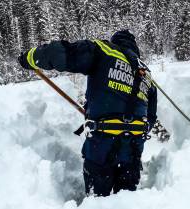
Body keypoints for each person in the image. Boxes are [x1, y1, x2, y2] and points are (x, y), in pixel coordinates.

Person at [18, 30, 157, 196]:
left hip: (103, 141)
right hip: (134, 146)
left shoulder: (104, 50)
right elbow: (151, 117)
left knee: (98, 198)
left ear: (116, 42)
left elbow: (60, 53)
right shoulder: (146, 73)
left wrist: (30, 57)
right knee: (128, 198)